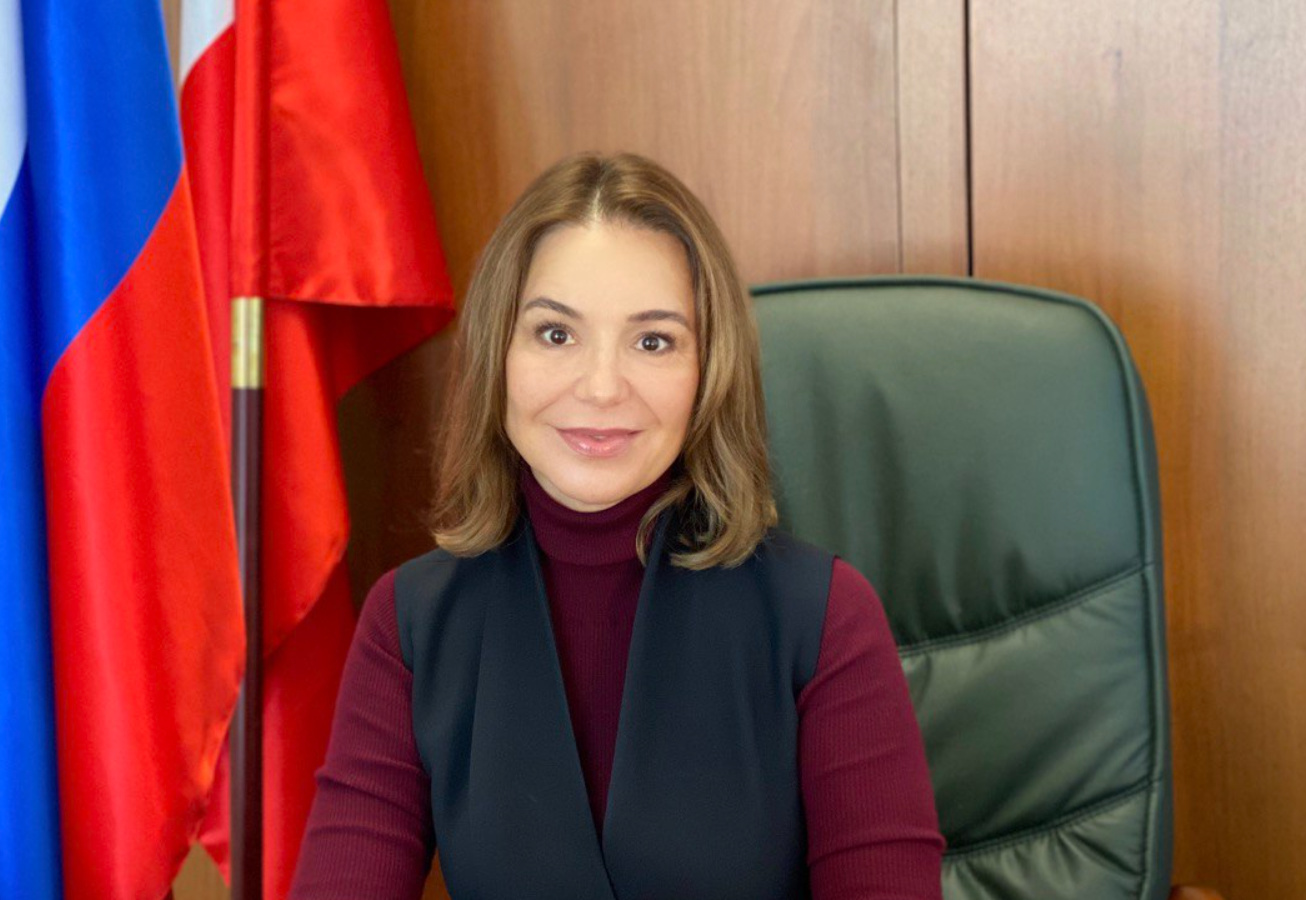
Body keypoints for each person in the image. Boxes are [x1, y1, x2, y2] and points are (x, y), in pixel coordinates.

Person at [287, 151, 944, 899]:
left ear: (708, 372)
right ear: (498, 354)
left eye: (653, 341)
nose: (601, 388)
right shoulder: (410, 628)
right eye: (556, 335)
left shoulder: (822, 617)